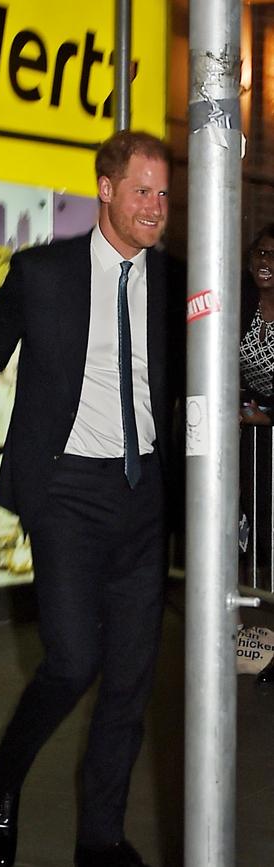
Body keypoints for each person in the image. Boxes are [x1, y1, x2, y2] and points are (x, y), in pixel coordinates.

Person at [0, 130, 174, 867]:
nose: (155, 206)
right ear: (105, 189)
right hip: (68, 489)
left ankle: (100, 840)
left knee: (130, 679)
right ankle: (0, 784)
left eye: (165, 193)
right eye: (142, 190)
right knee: (73, 662)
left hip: (144, 496)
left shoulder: (175, 280)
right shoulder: (44, 271)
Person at [239, 225, 274, 682]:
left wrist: (268, 416)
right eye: (260, 253)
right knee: (250, 540)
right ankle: (254, 648)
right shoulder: (242, 306)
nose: (266, 261)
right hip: (249, 443)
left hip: (268, 430)